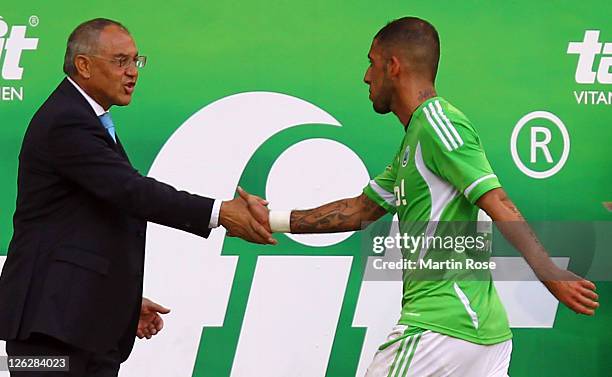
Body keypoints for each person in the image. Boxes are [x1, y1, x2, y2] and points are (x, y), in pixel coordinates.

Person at [240, 17, 599, 376]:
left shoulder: (440, 124)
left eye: (371, 62)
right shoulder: (414, 142)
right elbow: (358, 210)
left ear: (393, 66)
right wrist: (267, 219)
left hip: (443, 329)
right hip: (477, 334)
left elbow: (499, 202)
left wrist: (550, 273)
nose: (366, 76)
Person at [0, 18, 273, 376]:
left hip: (81, 323)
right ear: (84, 65)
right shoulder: (66, 120)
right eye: (120, 61)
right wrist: (219, 212)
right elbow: (131, 191)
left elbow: (88, 226)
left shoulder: (85, 119)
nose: (132, 72)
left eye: (136, 61)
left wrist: (122, 302)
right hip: (48, 328)